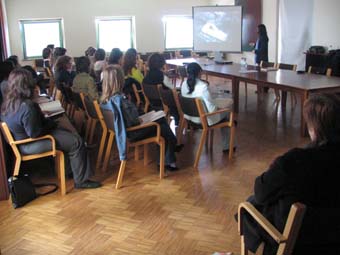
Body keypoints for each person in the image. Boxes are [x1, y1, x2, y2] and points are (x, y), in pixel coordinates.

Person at [239, 94, 340, 254]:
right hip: (333, 236)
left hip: (297, 238)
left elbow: (260, 192)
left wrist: (276, 165)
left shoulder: (295, 160)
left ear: (313, 128)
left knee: (249, 205)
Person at [0, 68, 101, 189]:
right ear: (28, 85)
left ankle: (71, 172)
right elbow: (35, 133)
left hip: (20, 143)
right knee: (76, 142)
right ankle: (81, 181)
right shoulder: (27, 106)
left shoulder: (8, 103)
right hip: (31, 144)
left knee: (68, 136)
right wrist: (51, 124)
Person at [100, 65, 179, 171]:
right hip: (134, 132)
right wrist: (143, 117)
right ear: (119, 81)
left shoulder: (105, 100)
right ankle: (169, 157)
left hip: (124, 132)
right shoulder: (120, 100)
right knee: (162, 124)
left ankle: (169, 158)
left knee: (161, 123)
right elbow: (134, 120)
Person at [181, 62, 233, 152]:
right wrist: (221, 106)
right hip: (203, 120)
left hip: (189, 118)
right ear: (199, 73)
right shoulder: (203, 87)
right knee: (228, 112)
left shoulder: (183, 84)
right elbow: (212, 110)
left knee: (222, 108)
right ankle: (227, 146)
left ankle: (227, 145)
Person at [143, 53, 179, 124]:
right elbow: (173, 89)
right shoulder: (162, 76)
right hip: (164, 103)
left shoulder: (146, 77)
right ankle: (179, 122)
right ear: (162, 63)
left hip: (152, 102)